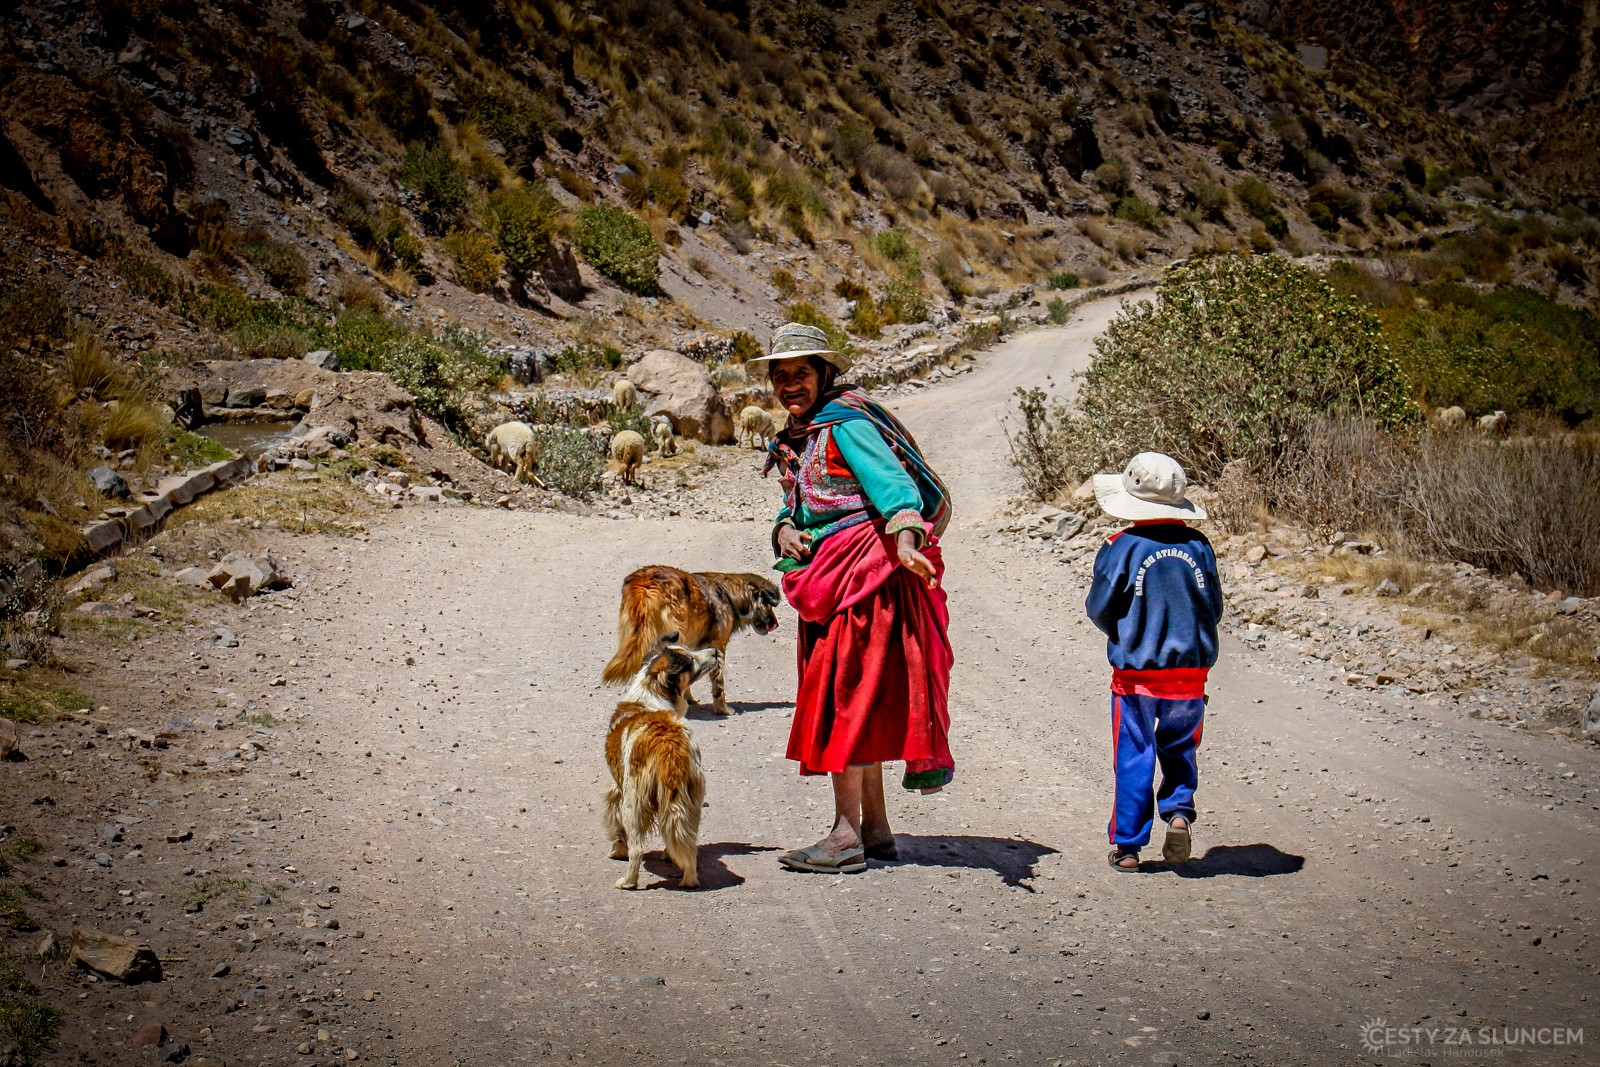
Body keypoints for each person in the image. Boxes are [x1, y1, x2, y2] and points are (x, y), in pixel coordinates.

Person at [749, 322, 955, 875]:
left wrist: (908, 539)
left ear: (825, 374)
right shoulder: (800, 432)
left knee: (848, 700)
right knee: (859, 698)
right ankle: (877, 829)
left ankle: (845, 836)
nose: (790, 383)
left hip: (864, 581)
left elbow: (894, 489)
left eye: (801, 373)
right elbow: (803, 502)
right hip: (828, 577)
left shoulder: (845, 426)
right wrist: (783, 530)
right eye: (781, 375)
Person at [1085, 452, 1222, 872]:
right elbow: (1212, 607)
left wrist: (1126, 632)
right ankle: (1179, 812)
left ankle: (1128, 847)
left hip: (1136, 676)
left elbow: (1099, 607)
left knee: (1135, 751)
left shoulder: (1121, 547)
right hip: (1190, 676)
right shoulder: (1199, 547)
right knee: (1181, 747)